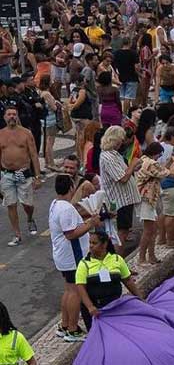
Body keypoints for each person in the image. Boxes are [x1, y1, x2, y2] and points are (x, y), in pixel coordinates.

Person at [49, 174, 98, 342]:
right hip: (72, 256)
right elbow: (71, 234)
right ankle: (72, 329)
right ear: (71, 188)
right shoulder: (66, 209)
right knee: (76, 292)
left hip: (63, 256)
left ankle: (64, 325)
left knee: (69, 290)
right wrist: (90, 224)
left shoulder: (55, 205)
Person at [75, 230, 144, 331]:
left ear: (104, 244)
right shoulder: (84, 264)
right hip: (96, 310)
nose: (90, 246)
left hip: (115, 306)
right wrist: (90, 307)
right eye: (90, 243)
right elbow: (80, 288)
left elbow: (128, 281)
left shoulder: (117, 259)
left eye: (94, 243)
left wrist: (140, 298)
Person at [97, 126, 143, 255]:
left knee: (123, 231)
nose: (122, 143)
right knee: (120, 234)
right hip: (119, 201)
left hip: (125, 199)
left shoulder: (114, 154)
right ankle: (118, 262)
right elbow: (122, 178)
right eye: (120, 140)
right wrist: (132, 165)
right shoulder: (108, 157)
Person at [0, 106, 42, 246]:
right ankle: (17, 234)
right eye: (9, 114)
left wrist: (37, 176)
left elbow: (34, 155)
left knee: (27, 204)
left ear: (17, 116)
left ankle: (30, 218)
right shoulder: (1, 134)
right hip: (7, 174)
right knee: (11, 204)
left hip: (22, 173)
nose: (12, 116)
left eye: (14, 114)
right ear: (4, 117)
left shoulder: (26, 133)